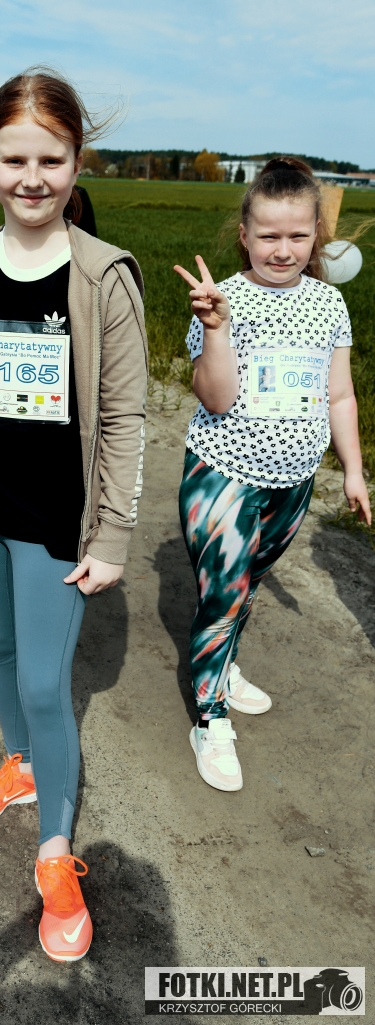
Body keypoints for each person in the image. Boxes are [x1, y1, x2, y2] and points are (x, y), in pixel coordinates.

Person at [0, 68, 147, 963]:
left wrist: (112, 535)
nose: (31, 177)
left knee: (48, 684)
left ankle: (54, 849)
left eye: (50, 159)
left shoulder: (103, 277)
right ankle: (19, 764)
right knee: (1, 648)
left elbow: (124, 418)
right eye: (14, 159)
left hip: (56, 521)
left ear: (76, 162)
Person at [174, 157, 371, 793]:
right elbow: (216, 398)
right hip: (224, 475)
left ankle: (224, 664)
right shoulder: (220, 302)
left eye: (297, 235)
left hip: (293, 482)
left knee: (248, 585)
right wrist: (216, 329)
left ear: (317, 236)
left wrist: (353, 472)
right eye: (268, 236)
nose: (282, 250)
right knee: (223, 596)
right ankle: (210, 718)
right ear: (245, 235)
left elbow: (339, 395)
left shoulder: (329, 304)